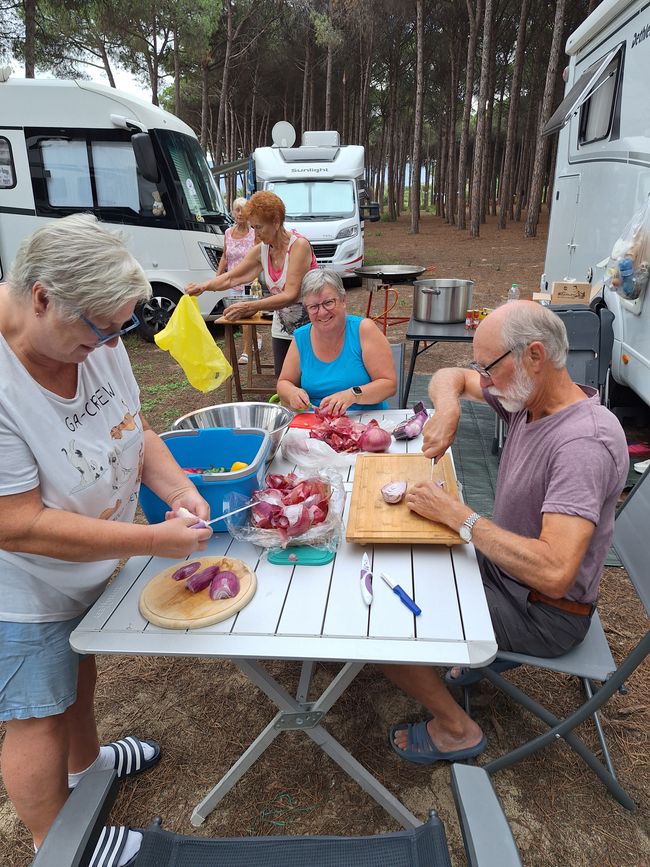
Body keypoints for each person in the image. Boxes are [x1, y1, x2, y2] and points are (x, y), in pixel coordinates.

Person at [0, 215, 213, 867]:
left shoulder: (93, 329)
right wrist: (148, 536)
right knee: (35, 709)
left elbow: (134, 425)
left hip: (85, 566)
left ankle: (87, 765)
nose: (109, 345)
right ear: (41, 298)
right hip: (24, 582)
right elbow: (16, 522)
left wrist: (178, 490)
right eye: (98, 331)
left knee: (80, 664)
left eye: (119, 330)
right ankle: (57, 843)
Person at [384, 301, 628, 765]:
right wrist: (450, 408)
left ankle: (456, 730)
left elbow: (555, 572)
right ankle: (464, 654)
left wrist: (462, 518)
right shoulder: (530, 398)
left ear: (534, 355)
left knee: (384, 622)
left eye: (489, 367)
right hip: (505, 574)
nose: (485, 379)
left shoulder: (582, 445)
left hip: (544, 611)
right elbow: (450, 377)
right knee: (397, 566)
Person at [185, 191, 317, 374]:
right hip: (282, 329)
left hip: (312, 327)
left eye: (259, 227)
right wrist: (204, 286)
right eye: (253, 227)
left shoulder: (299, 246)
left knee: (310, 384)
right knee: (284, 382)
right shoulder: (262, 250)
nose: (256, 233)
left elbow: (291, 294)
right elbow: (232, 277)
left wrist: (250, 306)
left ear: (276, 221)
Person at [276, 269, 397, 414]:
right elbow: (283, 383)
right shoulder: (301, 337)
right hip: (317, 423)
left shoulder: (364, 330)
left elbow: (389, 384)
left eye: (328, 302)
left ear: (343, 300)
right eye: (314, 307)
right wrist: (292, 392)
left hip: (365, 422)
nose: (322, 312)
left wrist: (353, 394)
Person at [214, 197, 258, 365]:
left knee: (245, 315)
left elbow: (260, 256)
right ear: (232, 212)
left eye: (243, 210)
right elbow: (225, 256)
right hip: (233, 281)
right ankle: (256, 337)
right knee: (239, 317)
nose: (240, 213)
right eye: (237, 209)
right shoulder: (227, 233)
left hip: (250, 281)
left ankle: (246, 351)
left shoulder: (255, 233)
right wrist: (218, 278)